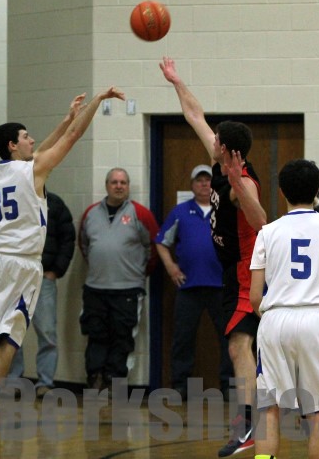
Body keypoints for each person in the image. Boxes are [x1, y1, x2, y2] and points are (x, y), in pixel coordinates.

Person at [0, 86, 126, 450]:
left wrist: (65, 117)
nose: (33, 140)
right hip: (19, 264)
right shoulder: (33, 171)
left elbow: (43, 150)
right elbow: (71, 139)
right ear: (13, 145)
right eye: (26, 136)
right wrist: (95, 104)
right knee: (9, 339)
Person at [160, 56, 267, 457]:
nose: (211, 139)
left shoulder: (243, 181)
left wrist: (238, 183)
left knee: (239, 346)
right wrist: (176, 81)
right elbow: (195, 115)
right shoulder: (220, 162)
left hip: (246, 271)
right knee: (241, 346)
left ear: (225, 148)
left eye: (216, 138)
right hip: (229, 272)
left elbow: (262, 221)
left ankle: (248, 425)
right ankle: (255, 417)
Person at [249, 159, 319, 459]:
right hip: (318, 320)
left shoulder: (267, 232)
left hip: (274, 319)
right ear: (317, 190)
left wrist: (273, 317)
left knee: (269, 409)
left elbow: (254, 297)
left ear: (281, 191)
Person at [156, 164, 232, 401]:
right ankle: (180, 385)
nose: (204, 184)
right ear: (192, 185)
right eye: (199, 180)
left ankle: (229, 385)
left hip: (221, 287)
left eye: (208, 180)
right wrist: (171, 267)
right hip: (188, 287)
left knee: (228, 338)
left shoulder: (225, 211)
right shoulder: (180, 212)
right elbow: (161, 242)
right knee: (183, 338)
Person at [78, 167, 159, 392]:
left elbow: (153, 247)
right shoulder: (90, 213)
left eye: (123, 182)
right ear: (107, 186)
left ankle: (115, 380)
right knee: (96, 335)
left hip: (128, 289)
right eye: (114, 182)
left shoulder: (141, 214)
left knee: (122, 337)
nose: (119, 186)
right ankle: (95, 377)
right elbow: (84, 245)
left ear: (128, 186)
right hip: (95, 288)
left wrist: (138, 272)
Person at [8, 191, 76, 399]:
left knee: (47, 332)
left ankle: (45, 382)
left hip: (43, 278)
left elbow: (68, 238)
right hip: (15, 277)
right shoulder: (12, 200)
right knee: (12, 332)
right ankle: (14, 381)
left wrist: (56, 270)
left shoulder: (55, 204)